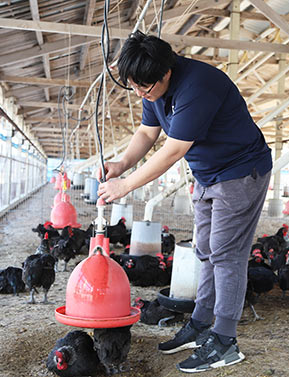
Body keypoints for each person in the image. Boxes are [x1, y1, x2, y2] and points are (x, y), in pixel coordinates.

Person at [96, 31, 272, 373]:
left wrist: (125, 185)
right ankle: (201, 322)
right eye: (134, 87)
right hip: (206, 175)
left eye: (144, 88)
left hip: (239, 172)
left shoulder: (198, 86)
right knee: (205, 249)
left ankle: (225, 341)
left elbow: (173, 150)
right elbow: (148, 133)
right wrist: (122, 164)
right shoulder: (151, 83)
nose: (140, 93)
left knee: (226, 254)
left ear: (166, 72)